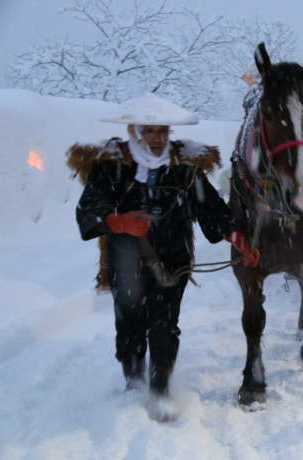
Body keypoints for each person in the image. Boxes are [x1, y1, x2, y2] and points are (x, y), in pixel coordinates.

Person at [67, 93, 258, 422]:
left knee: (164, 326)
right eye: (150, 131)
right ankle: (133, 379)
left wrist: (238, 239)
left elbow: (211, 210)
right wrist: (119, 221)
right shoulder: (111, 169)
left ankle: (160, 389)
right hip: (126, 260)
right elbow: (87, 213)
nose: (157, 138)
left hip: (173, 260)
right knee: (129, 325)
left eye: (162, 131)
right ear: (136, 132)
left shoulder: (185, 170)